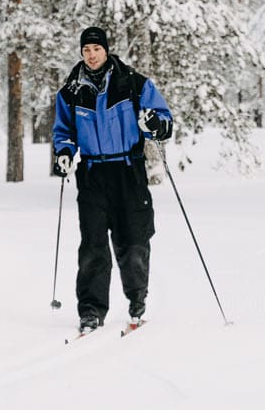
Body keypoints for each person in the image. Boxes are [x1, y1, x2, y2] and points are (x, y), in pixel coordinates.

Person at [51, 26, 174, 335]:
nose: (91, 55)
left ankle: (136, 301)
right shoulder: (70, 91)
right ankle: (91, 311)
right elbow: (63, 131)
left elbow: (164, 123)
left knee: (133, 240)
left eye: (96, 49)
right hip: (92, 173)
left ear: (106, 50)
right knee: (93, 245)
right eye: (86, 50)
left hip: (128, 170)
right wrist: (64, 152)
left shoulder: (132, 83)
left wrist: (155, 124)